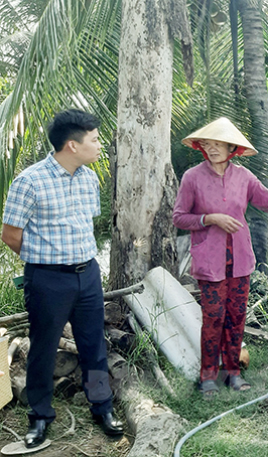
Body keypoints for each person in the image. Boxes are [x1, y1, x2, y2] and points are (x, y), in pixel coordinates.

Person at [173, 117, 268, 398]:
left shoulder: (244, 177)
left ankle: (233, 372)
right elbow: (180, 218)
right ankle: (208, 377)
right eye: (207, 143)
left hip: (240, 261)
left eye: (218, 143)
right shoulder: (192, 177)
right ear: (201, 146)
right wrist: (210, 218)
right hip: (209, 263)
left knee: (236, 317)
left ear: (232, 147)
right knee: (213, 318)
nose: (212, 148)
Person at [1, 109, 124, 448]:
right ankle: (40, 417)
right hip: (48, 281)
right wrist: (45, 261)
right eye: (95, 140)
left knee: (93, 345)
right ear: (72, 145)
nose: (99, 145)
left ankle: (102, 408)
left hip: (88, 276)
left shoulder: (88, 178)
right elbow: (10, 234)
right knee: (42, 348)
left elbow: (84, 228)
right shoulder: (29, 181)